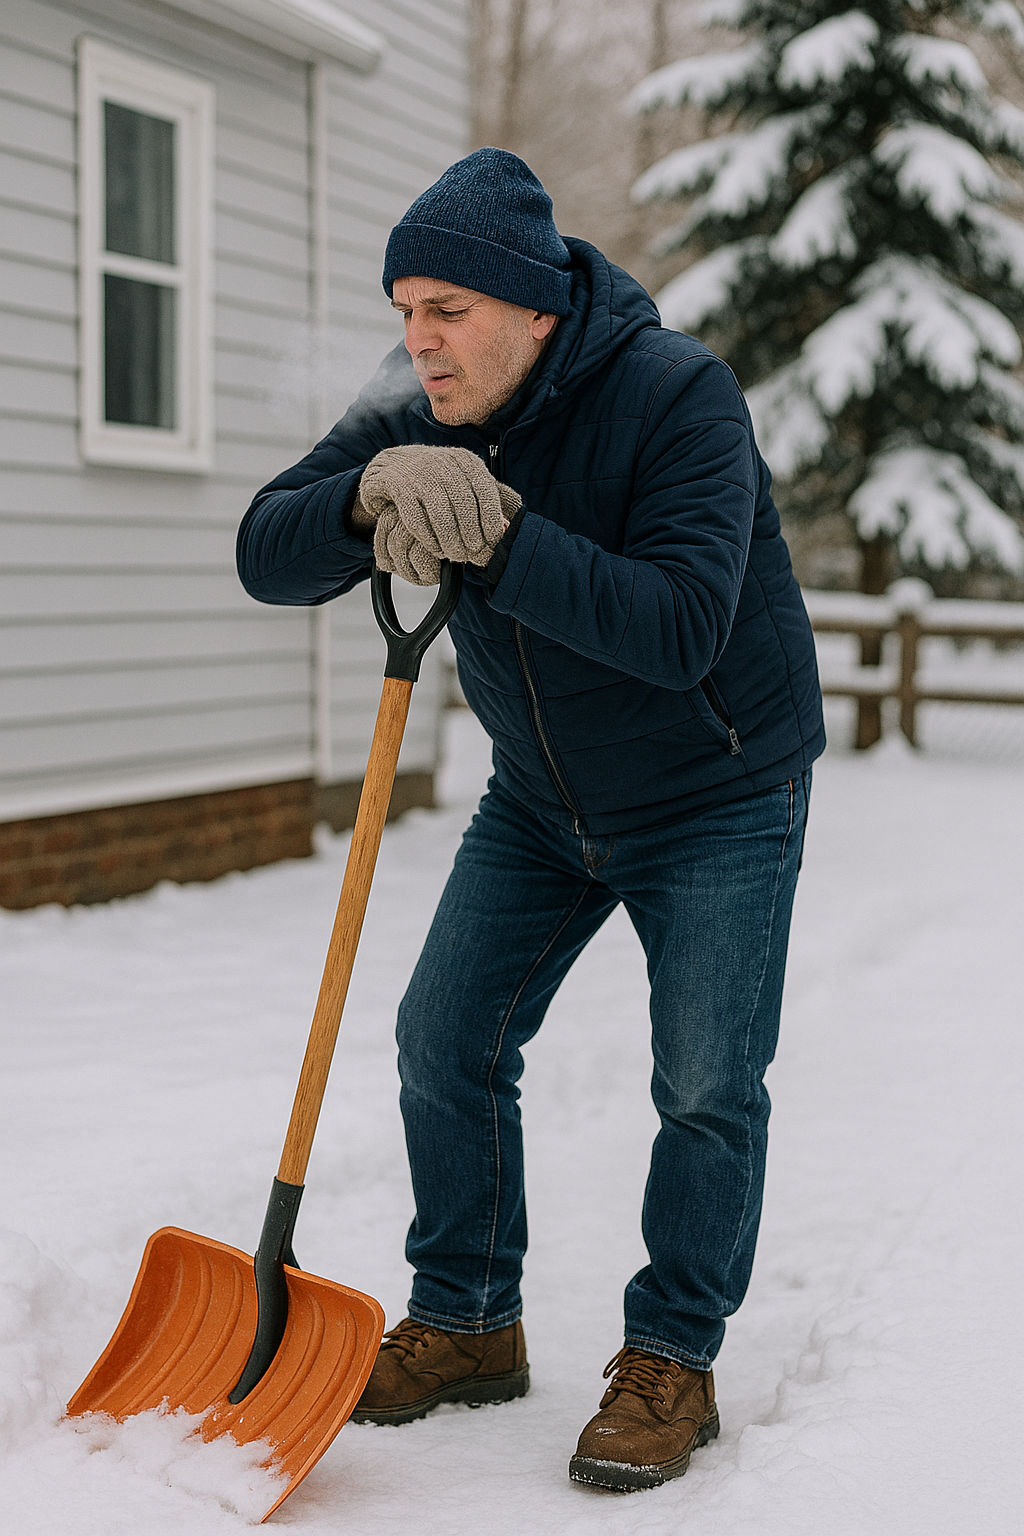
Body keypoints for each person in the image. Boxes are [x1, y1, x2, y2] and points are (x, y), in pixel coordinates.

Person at [237, 147, 824, 1492]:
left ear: (535, 306)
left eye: (444, 309)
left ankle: (671, 1355)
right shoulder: (414, 402)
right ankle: (467, 1321)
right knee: (444, 1035)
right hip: (543, 797)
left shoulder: (679, 395)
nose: (417, 340)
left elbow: (678, 627)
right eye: (403, 310)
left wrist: (499, 534)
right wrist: (360, 493)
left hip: (718, 789)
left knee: (707, 1083)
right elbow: (268, 550)